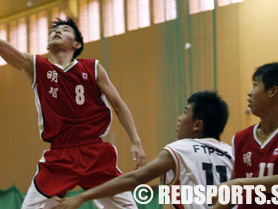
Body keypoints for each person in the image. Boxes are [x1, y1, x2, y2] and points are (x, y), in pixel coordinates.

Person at [0, 0, 146, 209]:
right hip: (59, 156)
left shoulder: (93, 67)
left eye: (65, 30)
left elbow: (119, 105)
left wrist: (136, 143)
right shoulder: (37, 67)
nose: (57, 31)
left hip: (95, 152)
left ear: (76, 44)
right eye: (54, 30)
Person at [53, 90, 233, 209]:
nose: (179, 118)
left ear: (197, 125)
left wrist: (82, 197)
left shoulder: (181, 149)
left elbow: (135, 179)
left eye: (185, 112)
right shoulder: (232, 153)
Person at [214, 62, 278, 208]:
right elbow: (233, 194)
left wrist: (241, 183)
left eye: (255, 85)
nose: (249, 92)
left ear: (272, 92)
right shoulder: (241, 138)